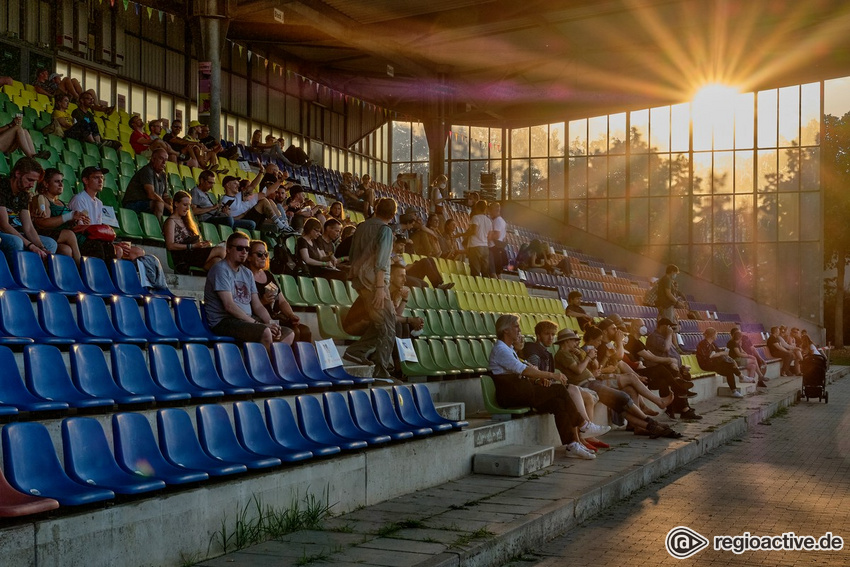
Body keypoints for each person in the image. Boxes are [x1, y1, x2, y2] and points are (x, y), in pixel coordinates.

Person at [489, 314, 610, 460]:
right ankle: (583, 424)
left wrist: (538, 375)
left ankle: (572, 445)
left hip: (521, 391)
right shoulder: (501, 349)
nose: (519, 329)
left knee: (558, 403)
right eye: (515, 326)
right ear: (505, 330)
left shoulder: (508, 348)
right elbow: (524, 370)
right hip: (511, 395)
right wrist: (551, 376)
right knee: (559, 389)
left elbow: (525, 368)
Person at [555, 327, 679, 439]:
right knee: (623, 397)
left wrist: (587, 357)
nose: (576, 343)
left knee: (621, 406)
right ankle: (651, 421)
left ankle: (650, 427)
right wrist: (588, 357)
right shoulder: (562, 354)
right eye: (574, 340)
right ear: (566, 341)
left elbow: (594, 367)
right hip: (586, 384)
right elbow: (579, 370)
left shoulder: (574, 353)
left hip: (592, 382)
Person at [204, 231, 293, 353]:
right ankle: (265, 368)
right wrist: (257, 324)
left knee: (287, 333)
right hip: (223, 321)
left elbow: (257, 305)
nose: (244, 252)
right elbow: (229, 306)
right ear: (228, 249)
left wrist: (272, 324)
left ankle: (276, 367)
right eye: (240, 248)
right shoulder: (220, 269)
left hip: (246, 320)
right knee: (265, 332)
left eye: (247, 249)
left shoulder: (247, 273)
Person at [340, 198, 398, 379]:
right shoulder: (385, 230)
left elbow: (352, 254)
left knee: (381, 323)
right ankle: (381, 370)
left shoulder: (362, 227)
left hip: (360, 281)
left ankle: (357, 351)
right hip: (375, 283)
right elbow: (381, 262)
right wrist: (380, 287)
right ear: (393, 214)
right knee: (388, 324)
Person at [626, 318, 702, 420]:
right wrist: (669, 360)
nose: (644, 328)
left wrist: (670, 362)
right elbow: (651, 358)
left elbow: (651, 355)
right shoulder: (632, 341)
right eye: (641, 326)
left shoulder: (638, 342)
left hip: (647, 371)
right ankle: (681, 395)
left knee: (665, 380)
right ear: (635, 327)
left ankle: (677, 408)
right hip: (637, 373)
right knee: (664, 369)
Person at [69, 166, 145, 261]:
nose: (100, 181)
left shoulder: (99, 203)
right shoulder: (79, 199)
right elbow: (81, 229)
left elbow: (98, 229)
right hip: (84, 240)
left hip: (97, 239)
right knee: (115, 250)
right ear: (85, 180)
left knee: (137, 252)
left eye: (102, 178)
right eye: (96, 178)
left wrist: (113, 242)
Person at [248, 239, 310, 343]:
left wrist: (291, 315)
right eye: (259, 254)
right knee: (295, 331)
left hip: (274, 317)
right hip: (258, 319)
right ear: (249, 257)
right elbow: (244, 306)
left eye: (266, 254)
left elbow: (282, 301)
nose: (263, 257)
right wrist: (262, 301)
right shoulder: (245, 276)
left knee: (305, 331)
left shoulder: (268, 275)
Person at [0, 158, 58, 258]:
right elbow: (4, 225)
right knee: (16, 242)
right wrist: (30, 245)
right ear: (17, 173)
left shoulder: (23, 194)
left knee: (50, 243)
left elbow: (29, 228)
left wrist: (41, 247)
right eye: (29, 180)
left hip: (16, 232)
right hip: (3, 232)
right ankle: (14, 272)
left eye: (34, 181)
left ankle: (35, 272)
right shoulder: (2, 187)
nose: (32, 185)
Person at [29, 168, 83, 264]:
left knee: (66, 250)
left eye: (62, 181)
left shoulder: (61, 203)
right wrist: (69, 216)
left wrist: (76, 221)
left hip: (59, 237)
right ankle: (81, 269)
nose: (61, 185)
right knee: (69, 234)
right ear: (46, 184)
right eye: (57, 182)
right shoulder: (41, 199)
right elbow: (42, 223)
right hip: (42, 233)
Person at [164, 191, 225, 273]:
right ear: (176, 204)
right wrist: (192, 246)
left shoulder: (186, 221)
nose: (188, 209)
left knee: (216, 261)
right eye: (185, 205)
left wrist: (201, 245)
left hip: (193, 253)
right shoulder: (171, 221)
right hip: (183, 256)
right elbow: (170, 245)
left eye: (189, 205)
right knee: (221, 250)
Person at [122, 148, 172, 221]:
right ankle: (159, 230)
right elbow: (151, 194)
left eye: (166, 160)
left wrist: (172, 204)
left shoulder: (163, 175)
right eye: (161, 158)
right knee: (159, 204)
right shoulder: (147, 170)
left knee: (180, 207)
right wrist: (167, 206)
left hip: (149, 204)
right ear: (153, 159)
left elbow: (165, 196)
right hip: (133, 204)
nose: (164, 162)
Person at [696, 327, 746, 398]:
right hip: (706, 364)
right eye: (716, 334)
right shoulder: (703, 344)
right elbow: (710, 356)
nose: (717, 336)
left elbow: (719, 353)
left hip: (714, 363)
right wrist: (722, 354)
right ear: (712, 335)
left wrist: (731, 360)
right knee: (729, 367)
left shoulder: (713, 344)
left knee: (729, 370)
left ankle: (735, 389)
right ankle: (741, 378)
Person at [466, 199, 493, 277]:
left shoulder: (475, 218)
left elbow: (473, 231)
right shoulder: (489, 221)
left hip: (475, 246)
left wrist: (460, 235)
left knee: (475, 271)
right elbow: (490, 236)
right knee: (485, 272)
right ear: (485, 209)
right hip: (485, 247)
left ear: (476, 208)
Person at [488, 202, 508, 275]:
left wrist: (487, 237)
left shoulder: (497, 221)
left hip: (493, 247)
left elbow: (497, 235)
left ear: (495, 210)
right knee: (497, 272)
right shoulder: (502, 221)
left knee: (493, 271)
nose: (489, 213)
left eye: (491, 210)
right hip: (498, 247)